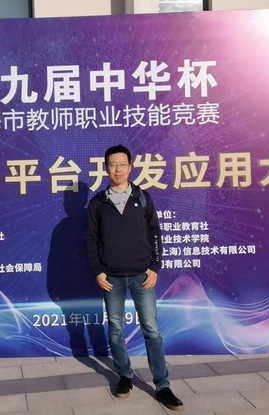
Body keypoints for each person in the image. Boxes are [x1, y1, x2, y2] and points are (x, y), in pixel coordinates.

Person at [85, 144, 184, 411]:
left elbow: (155, 233)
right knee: (116, 329)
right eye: (112, 164)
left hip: (142, 276)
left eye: (122, 164)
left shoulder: (143, 197)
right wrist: (97, 271)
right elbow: (90, 240)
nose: (117, 169)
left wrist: (155, 266)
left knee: (152, 330)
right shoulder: (98, 203)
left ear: (130, 167)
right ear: (106, 168)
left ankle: (162, 385)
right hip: (112, 278)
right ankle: (125, 376)